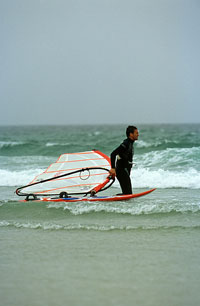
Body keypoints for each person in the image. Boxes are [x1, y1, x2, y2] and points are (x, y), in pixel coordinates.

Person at [109, 126, 139, 194]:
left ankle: (118, 201)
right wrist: (113, 168)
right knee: (128, 194)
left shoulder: (130, 143)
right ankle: (115, 200)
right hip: (121, 171)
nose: (138, 134)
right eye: (136, 133)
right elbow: (113, 154)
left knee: (127, 194)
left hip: (124, 171)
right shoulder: (126, 144)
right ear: (131, 134)